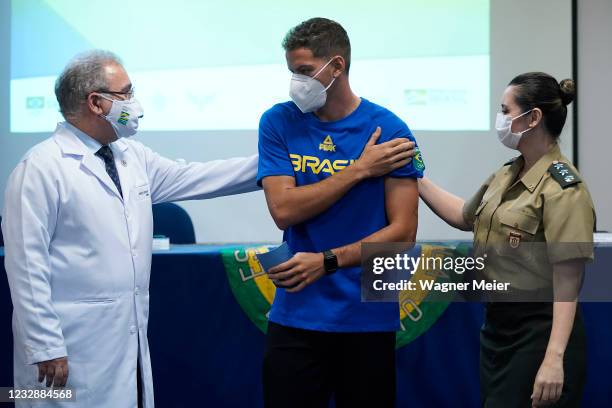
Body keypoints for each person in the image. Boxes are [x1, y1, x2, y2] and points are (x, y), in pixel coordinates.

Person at [1, 49, 414, 408]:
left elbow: (201, 177)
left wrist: (294, 158)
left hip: (118, 337)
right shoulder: (41, 168)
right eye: (125, 93)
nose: (135, 102)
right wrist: (45, 346)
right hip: (61, 345)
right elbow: (25, 267)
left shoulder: (129, 157)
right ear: (95, 102)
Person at [257, 18, 424, 408]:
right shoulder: (278, 121)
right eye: (291, 72)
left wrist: (328, 261)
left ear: (336, 66)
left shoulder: (389, 129)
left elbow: (402, 235)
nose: (296, 83)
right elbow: (283, 210)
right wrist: (359, 170)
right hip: (297, 312)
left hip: (366, 314)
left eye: (304, 71)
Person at [418, 72, 595, 407]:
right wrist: (416, 179)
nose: (499, 118)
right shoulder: (507, 173)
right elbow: (464, 216)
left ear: (533, 118)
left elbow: (568, 282)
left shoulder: (563, 188)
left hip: (540, 332)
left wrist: (554, 358)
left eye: (505, 109)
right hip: (499, 329)